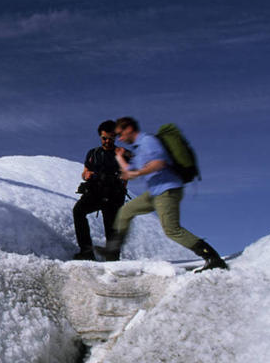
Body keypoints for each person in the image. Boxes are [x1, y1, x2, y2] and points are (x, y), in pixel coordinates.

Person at [98, 116, 228, 271]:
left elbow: (159, 163)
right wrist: (120, 157)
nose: (120, 138)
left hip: (167, 190)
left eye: (121, 133)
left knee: (172, 230)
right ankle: (112, 250)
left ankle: (212, 257)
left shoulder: (148, 141)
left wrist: (138, 172)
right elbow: (129, 171)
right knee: (126, 211)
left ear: (129, 129)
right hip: (154, 193)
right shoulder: (139, 149)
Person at [72, 120, 129, 260]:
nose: (107, 141)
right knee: (78, 211)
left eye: (111, 138)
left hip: (113, 196)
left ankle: (113, 259)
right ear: (100, 136)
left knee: (111, 228)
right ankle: (86, 252)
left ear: (115, 138)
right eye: (104, 138)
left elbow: (127, 176)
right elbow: (85, 172)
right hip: (95, 193)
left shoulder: (122, 154)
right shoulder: (93, 153)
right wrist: (87, 175)